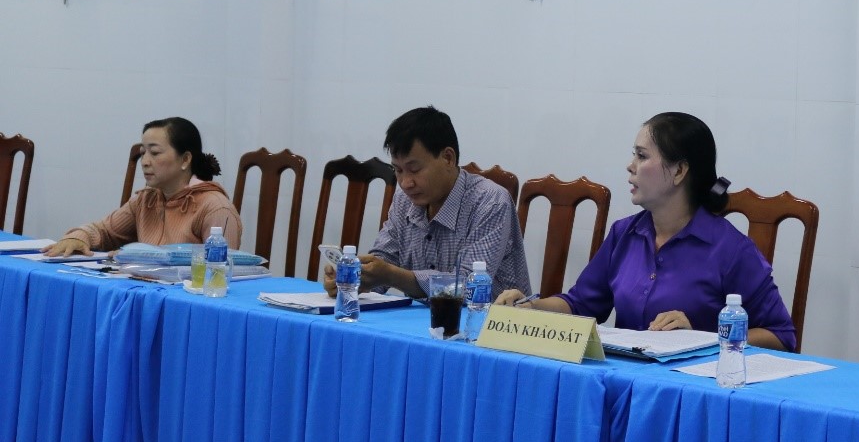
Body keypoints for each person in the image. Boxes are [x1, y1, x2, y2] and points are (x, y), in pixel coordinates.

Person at [494, 112, 796, 351]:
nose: (630, 166)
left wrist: (704, 338)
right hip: (625, 379)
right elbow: (580, 305)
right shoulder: (624, 234)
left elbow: (781, 336)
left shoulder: (729, 249)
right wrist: (530, 307)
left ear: (679, 171)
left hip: (692, 389)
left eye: (642, 156)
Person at [324, 106, 529, 301]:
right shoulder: (404, 200)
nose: (406, 183)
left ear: (448, 158)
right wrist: (356, 278)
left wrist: (392, 276)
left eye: (414, 170)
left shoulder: (490, 202)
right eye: (398, 170)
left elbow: (468, 287)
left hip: (488, 322)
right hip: (422, 320)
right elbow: (385, 258)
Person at [45, 117, 242, 256]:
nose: (145, 162)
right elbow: (105, 231)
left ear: (185, 159)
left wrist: (139, 259)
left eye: (154, 153)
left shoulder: (215, 208)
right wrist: (79, 237)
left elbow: (221, 272)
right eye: (142, 153)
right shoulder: (145, 200)